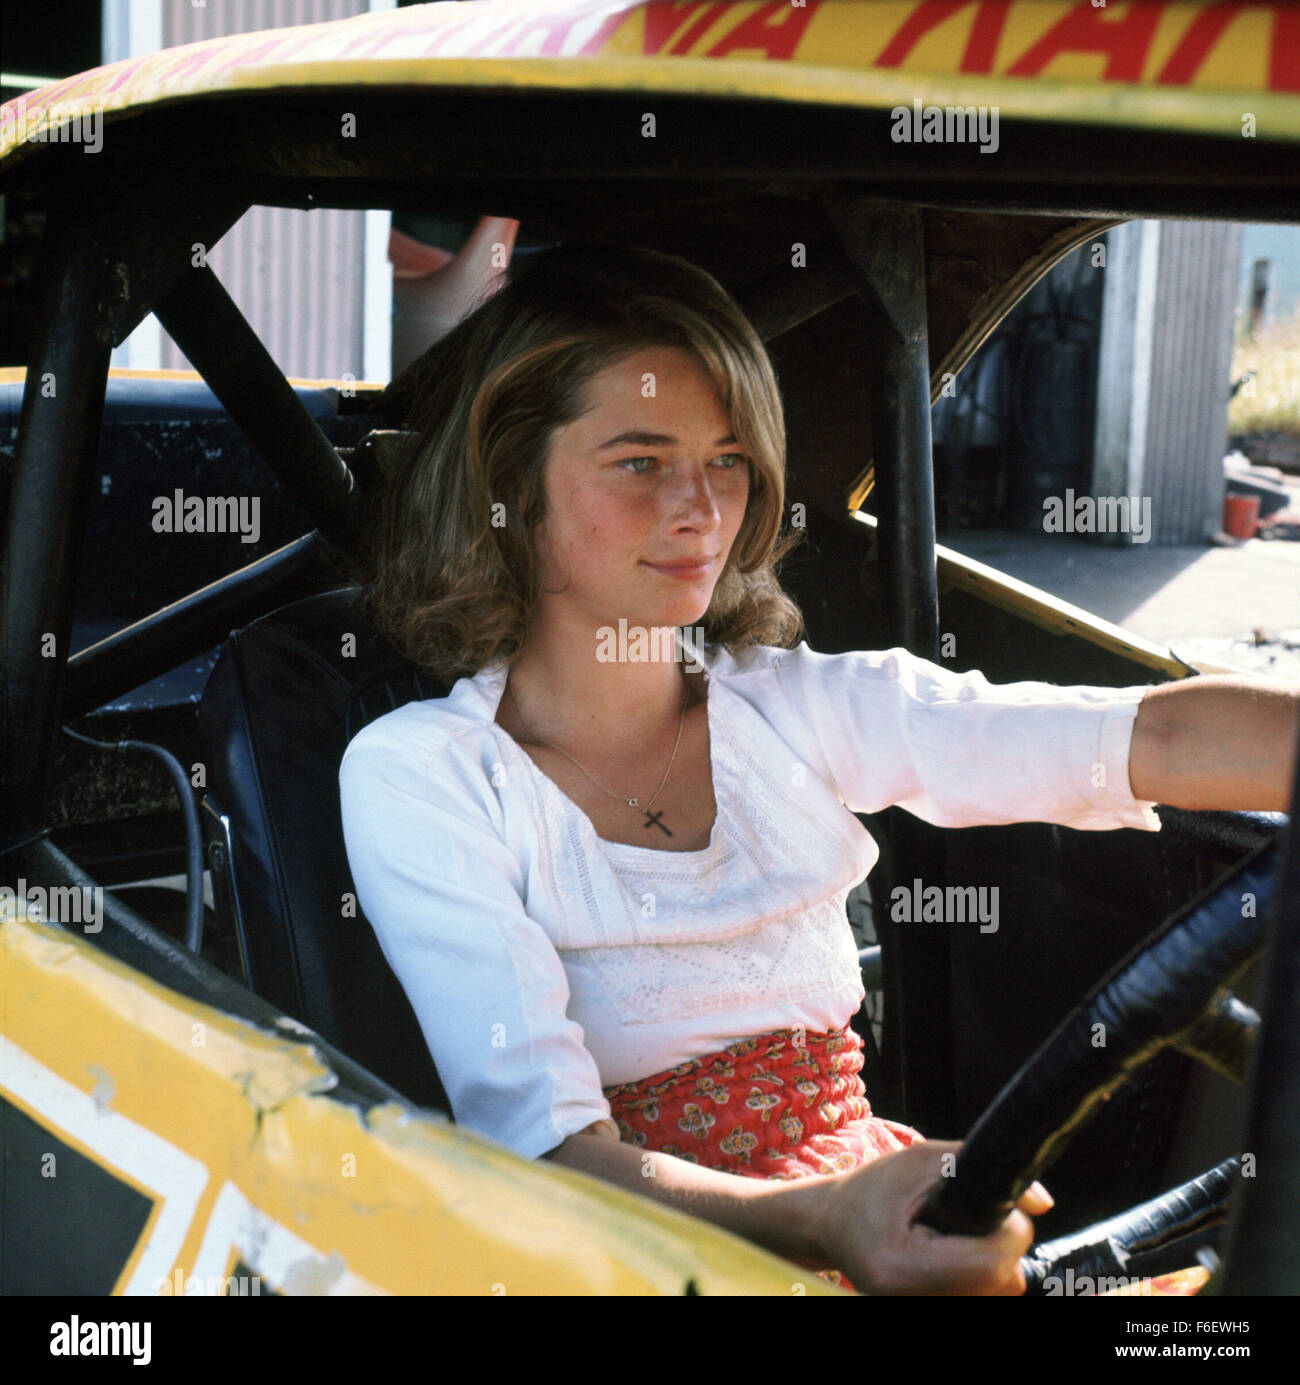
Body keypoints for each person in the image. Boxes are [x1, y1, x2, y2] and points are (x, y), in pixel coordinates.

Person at [340, 242, 1299, 1294]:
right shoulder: (428, 773)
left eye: (727, 457)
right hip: (640, 1262)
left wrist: (854, 1206)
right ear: (514, 484)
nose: (701, 507)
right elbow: (549, 1156)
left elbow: (1147, 739)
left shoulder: (790, 702)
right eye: (640, 460)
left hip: (870, 1210)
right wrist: (829, 1217)